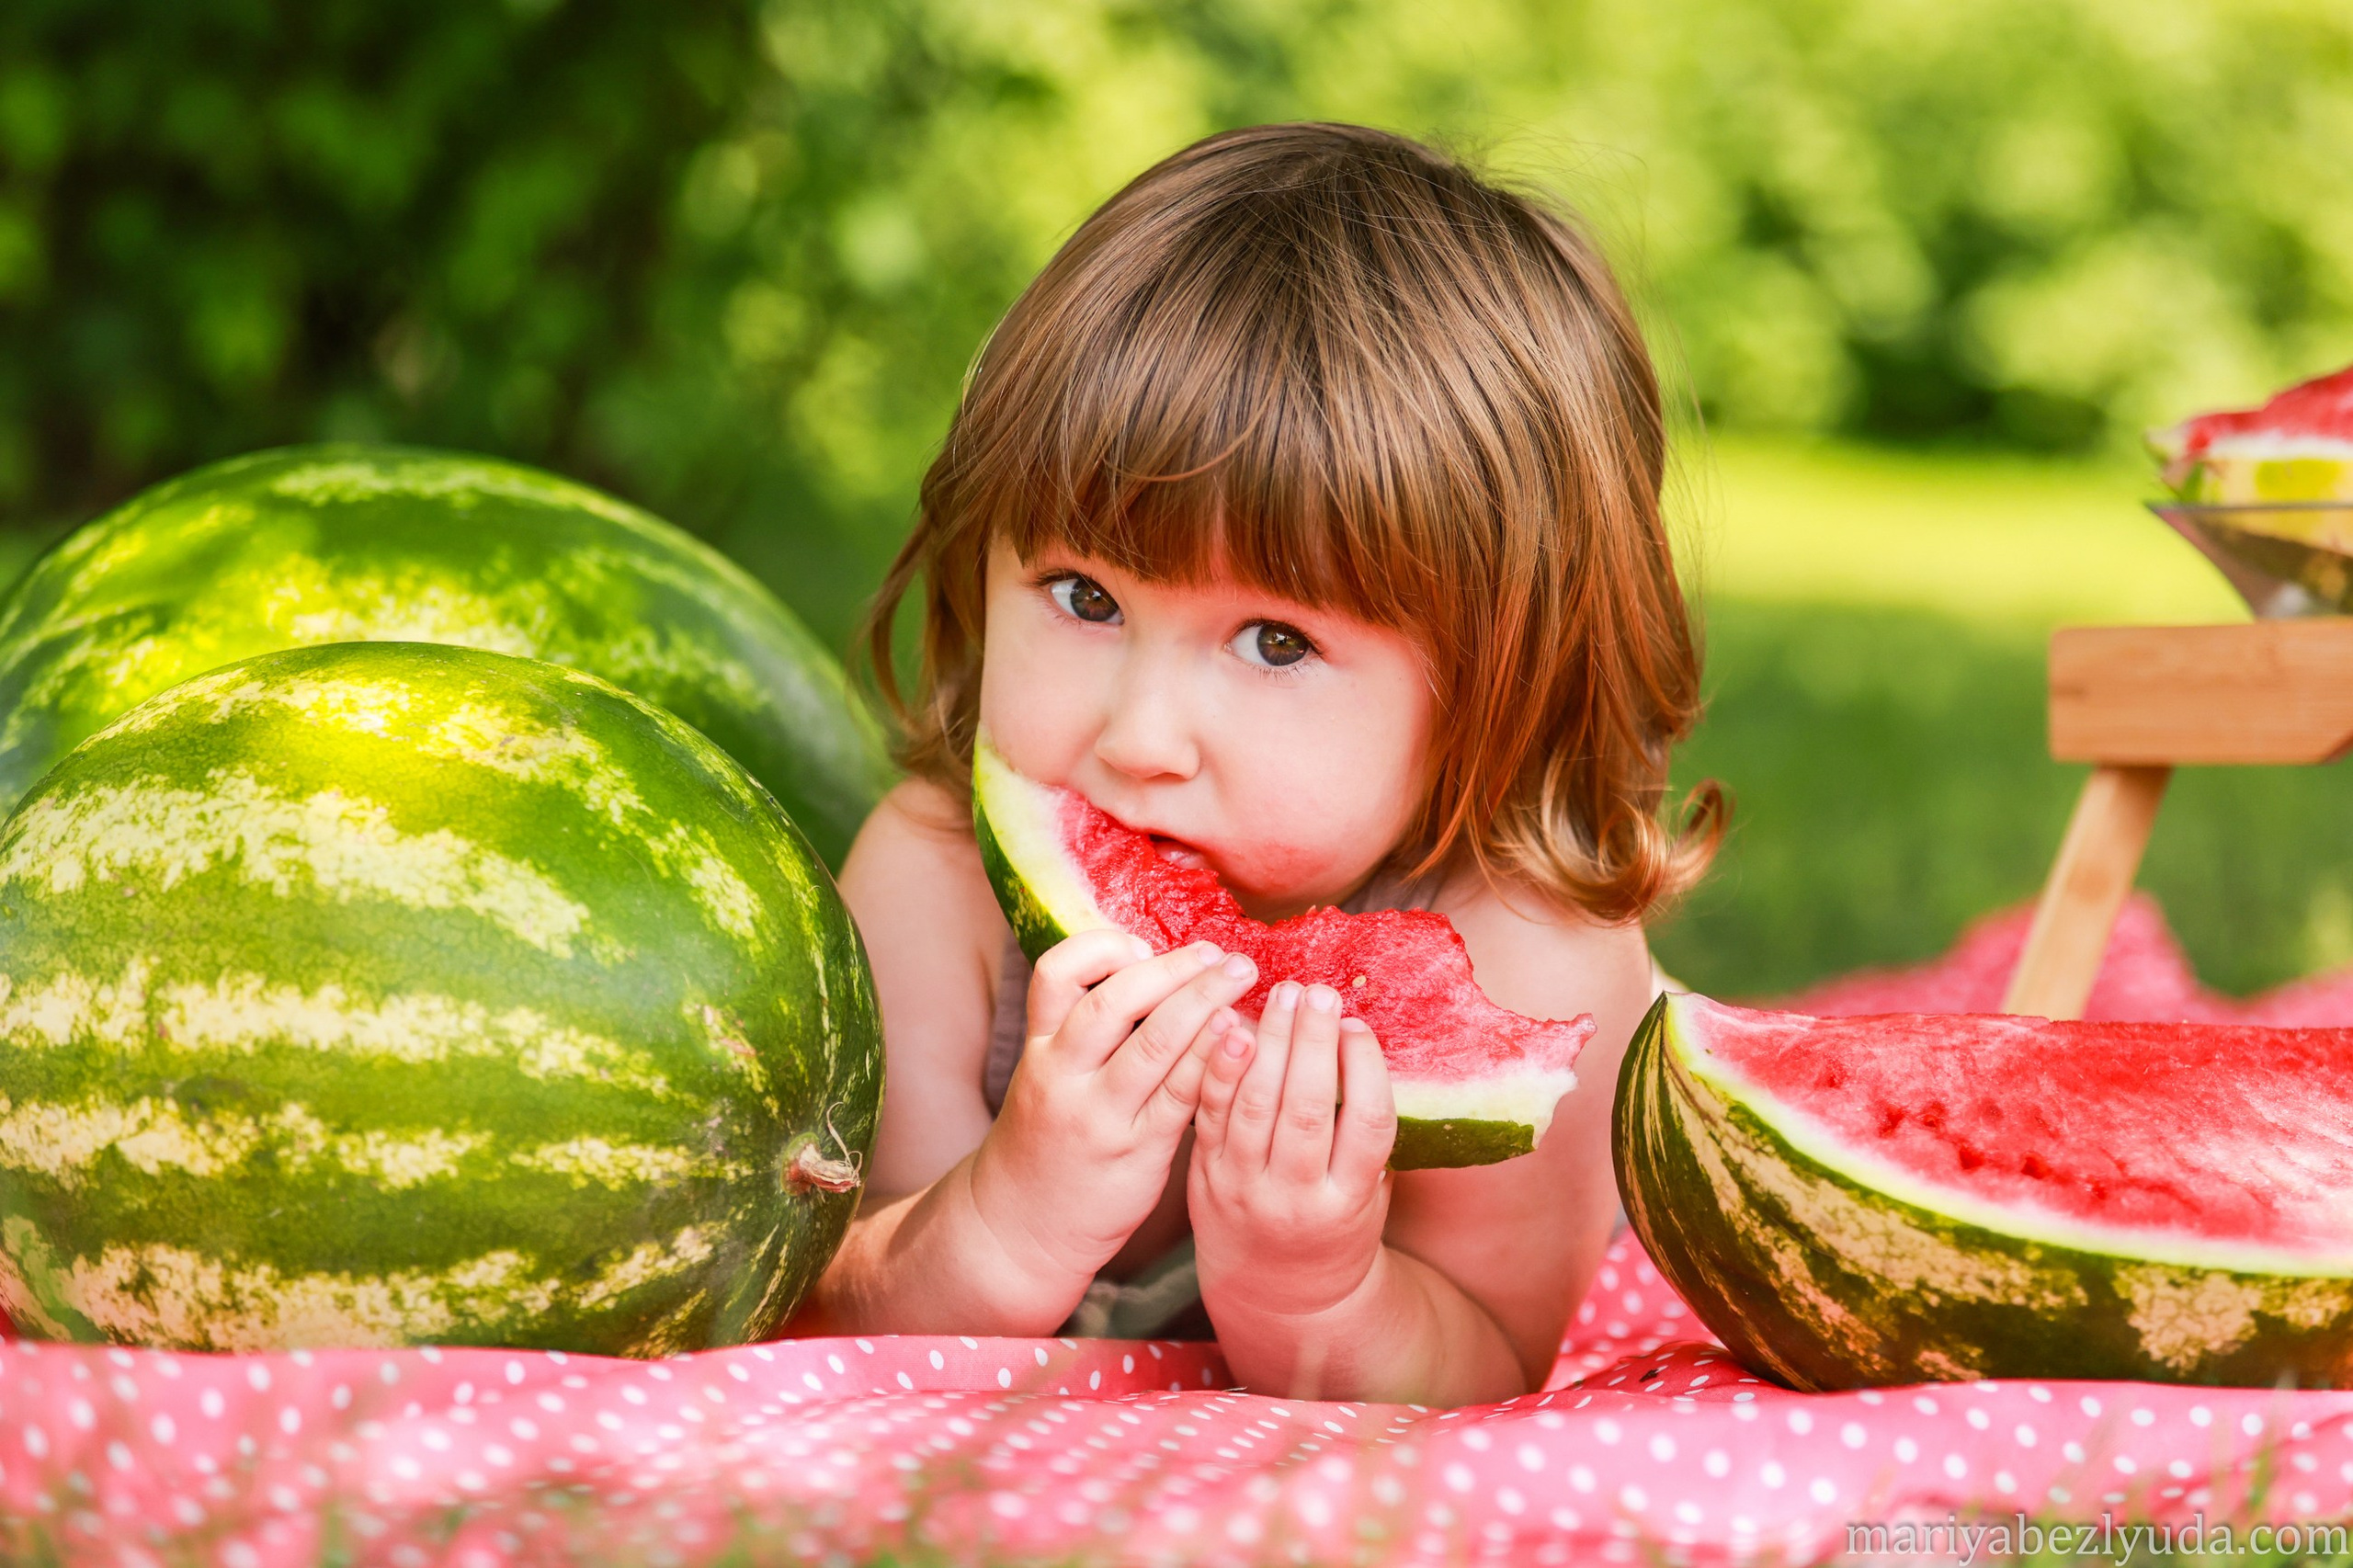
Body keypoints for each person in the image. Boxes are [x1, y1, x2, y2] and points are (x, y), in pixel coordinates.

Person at [792, 122, 1722, 1406]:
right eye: (1085, 595)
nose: (1139, 736)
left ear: (1502, 688)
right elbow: (838, 1301)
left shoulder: (1530, 956)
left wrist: (1315, 1290)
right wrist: (1004, 1217)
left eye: (1276, 641)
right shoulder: (935, 877)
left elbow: (1495, 1360)